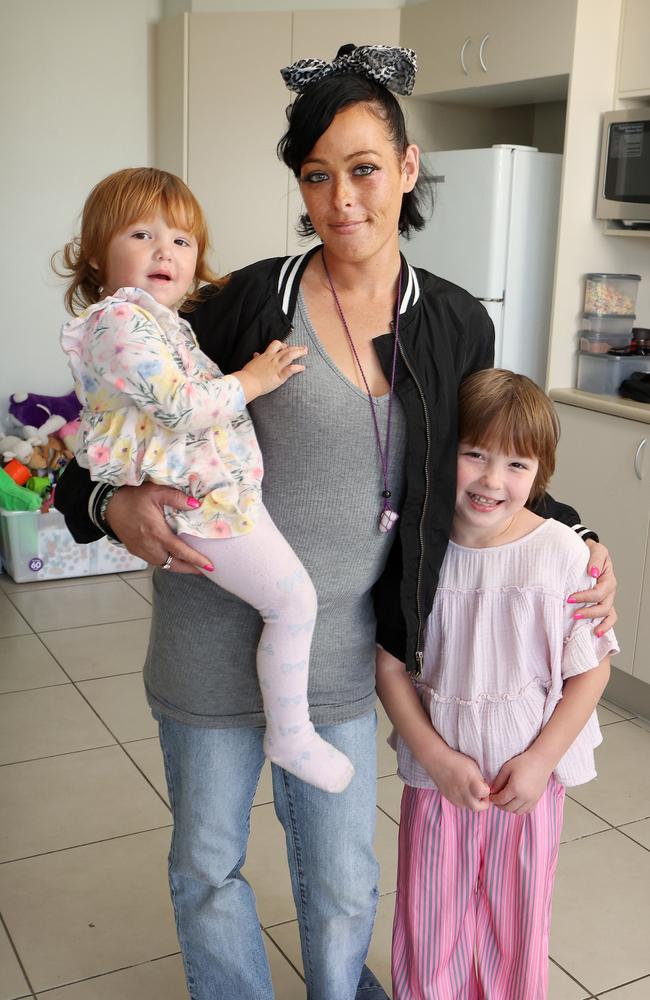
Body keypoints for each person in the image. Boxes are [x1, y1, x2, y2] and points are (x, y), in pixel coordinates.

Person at [54, 44, 617, 1000]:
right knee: (208, 866)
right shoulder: (236, 303)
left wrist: (579, 535)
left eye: (363, 168)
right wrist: (113, 504)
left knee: (346, 880)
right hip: (205, 640)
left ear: (405, 168)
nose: (342, 197)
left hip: (348, 654)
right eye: (317, 176)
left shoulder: (452, 322)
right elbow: (95, 443)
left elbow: (481, 464)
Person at [57, 167, 354, 795]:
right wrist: (254, 378)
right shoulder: (119, 322)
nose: (166, 250)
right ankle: (291, 733)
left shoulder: (159, 321)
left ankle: (289, 730)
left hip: (216, 496)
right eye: (142, 234)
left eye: (183, 240)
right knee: (294, 602)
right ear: (96, 253)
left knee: (290, 601)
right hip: (200, 506)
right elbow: (182, 407)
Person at [376, 369, 618, 1000]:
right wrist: (436, 757)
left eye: (516, 463)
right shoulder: (417, 551)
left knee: (518, 923)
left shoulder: (561, 552)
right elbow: (389, 664)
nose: (491, 480)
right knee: (430, 925)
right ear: (443, 452)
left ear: (540, 475)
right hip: (438, 779)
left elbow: (591, 669)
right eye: (474, 454)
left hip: (530, 782)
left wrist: (540, 762)